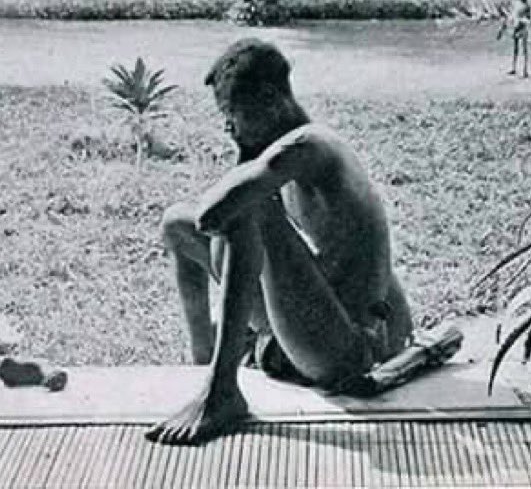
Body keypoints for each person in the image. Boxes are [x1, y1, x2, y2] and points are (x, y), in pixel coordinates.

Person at [148, 38, 414, 446]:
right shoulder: (280, 156)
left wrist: (244, 162)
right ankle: (204, 365)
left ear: (271, 100)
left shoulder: (309, 147)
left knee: (247, 209)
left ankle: (222, 392)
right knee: (175, 226)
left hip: (350, 351)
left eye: (231, 115)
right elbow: (201, 224)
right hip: (316, 328)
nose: (228, 128)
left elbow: (215, 213)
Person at [497, 0, 531, 77]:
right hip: (518, 27)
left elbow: (527, 18)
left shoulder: (524, 6)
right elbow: (511, 17)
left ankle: (523, 69)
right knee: (517, 49)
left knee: (522, 49)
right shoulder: (520, 6)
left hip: (522, 28)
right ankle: (517, 68)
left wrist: (502, 29)